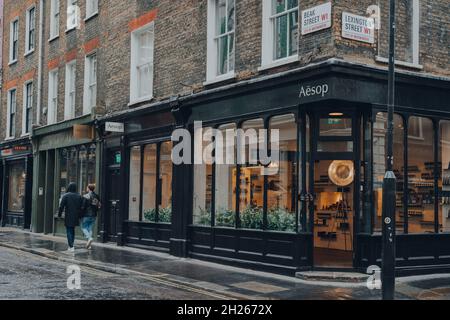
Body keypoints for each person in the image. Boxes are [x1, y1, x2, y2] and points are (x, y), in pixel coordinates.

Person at [58, 183, 83, 253]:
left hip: (68, 216)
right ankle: (71, 245)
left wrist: (59, 215)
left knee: (69, 230)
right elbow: (81, 207)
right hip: (75, 216)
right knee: (72, 230)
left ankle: (71, 246)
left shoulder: (66, 196)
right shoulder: (79, 196)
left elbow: (61, 206)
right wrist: (80, 216)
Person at [81, 184, 101, 250]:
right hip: (94, 215)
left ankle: (89, 238)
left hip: (86, 215)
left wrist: (81, 214)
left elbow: (83, 207)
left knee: (83, 227)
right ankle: (89, 245)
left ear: (88, 188)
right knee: (89, 228)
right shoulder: (96, 196)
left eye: (87, 187)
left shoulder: (86, 196)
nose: (86, 188)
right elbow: (99, 205)